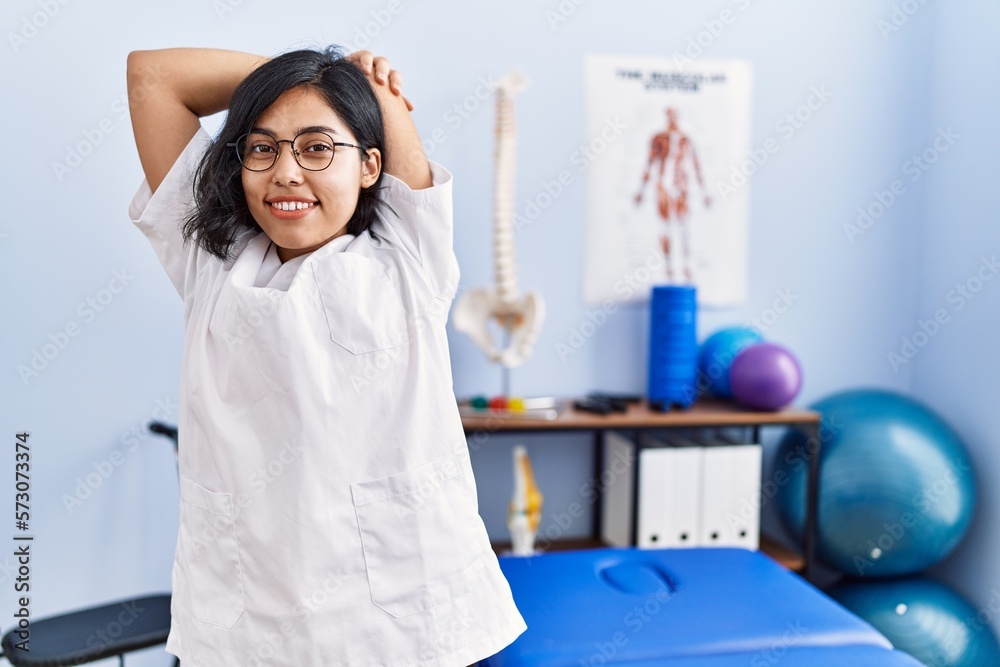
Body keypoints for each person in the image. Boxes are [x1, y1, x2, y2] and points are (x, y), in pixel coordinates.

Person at [126, 45, 527, 666]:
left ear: (370, 165)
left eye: (317, 147)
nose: (286, 171)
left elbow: (383, 111)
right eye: (262, 147)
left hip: (405, 626)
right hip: (251, 627)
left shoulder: (407, 256)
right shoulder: (215, 261)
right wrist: (310, 74)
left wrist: (345, 82)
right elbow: (152, 76)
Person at [634, 107, 711, 283]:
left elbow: (696, 164)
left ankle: (686, 266)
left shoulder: (686, 139)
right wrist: (641, 191)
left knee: (684, 227)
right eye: (670, 115)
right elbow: (649, 164)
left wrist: (704, 192)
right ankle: (668, 268)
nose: (673, 118)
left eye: (675, 115)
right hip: (664, 187)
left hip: (681, 187)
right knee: (666, 227)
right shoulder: (658, 138)